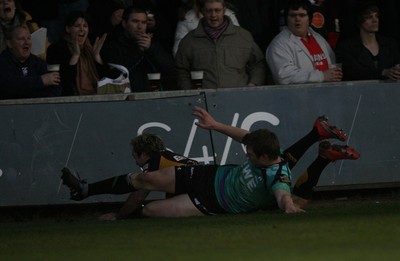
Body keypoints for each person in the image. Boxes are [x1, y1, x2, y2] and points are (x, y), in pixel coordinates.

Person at [62, 106, 359, 218]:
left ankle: (320, 153)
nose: (246, 153)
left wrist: (288, 206)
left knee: (151, 210)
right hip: (206, 176)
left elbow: (282, 193)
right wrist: (215, 124)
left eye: (251, 154)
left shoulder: (277, 174)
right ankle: (85, 189)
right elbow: (245, 136)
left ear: (264, 158)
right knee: (144, 179)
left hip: (211, 205)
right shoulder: (264, 151)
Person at [61, 133, 198, 220]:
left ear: (144, 154)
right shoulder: (169, 158)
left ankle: (86, 189)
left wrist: (119, 215)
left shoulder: (155, 161)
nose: (135, 161)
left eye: (135, 156)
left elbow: (139, 195)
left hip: (198, 193)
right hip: (204, 187)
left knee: (147, 205)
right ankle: (86, 189)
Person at [101, 6, 176, 92]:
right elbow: (116, 74)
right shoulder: (113, 46)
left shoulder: (151, 44)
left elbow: (171, 69)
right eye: (135, 21)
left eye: (144, 22)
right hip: (126, 100)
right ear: (124, 23)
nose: (140, 27)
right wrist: (138, 50)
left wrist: (151, 49)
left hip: (153, 98)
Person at [266, 0, 342, 85]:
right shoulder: (279, 44)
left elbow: (332, 61)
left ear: (309, 19)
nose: (297, 19)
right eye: (292, 15)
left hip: (326, 93)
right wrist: (322, 76)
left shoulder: (318, 38)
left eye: (302, 15)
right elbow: (284, 76)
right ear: (286, 19)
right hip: (297, 97)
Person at [46, 11, 109, 96]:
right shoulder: (55, 50)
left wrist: (97, 57)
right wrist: (75, 56)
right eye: (77, 26)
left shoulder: (92, 49)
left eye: (85, 26)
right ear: (68, 29)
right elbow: (59, 80)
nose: (82, 29)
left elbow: (106, 79)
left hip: (97, 97)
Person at [335, 2, 400, 81]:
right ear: (359, 21)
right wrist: (383, 72)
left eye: (376, 16)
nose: (375, 20)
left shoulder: (390, 44)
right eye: (369, 17)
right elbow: (354, 72)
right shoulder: (346, 47)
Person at [0, 26, 61, 99]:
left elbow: (55, 88)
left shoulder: (39, 63)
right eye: (21, 39)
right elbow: (9, 85)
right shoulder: (2, 62)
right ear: (9, 43)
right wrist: (41, 81)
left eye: (29, 38)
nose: (26, 42)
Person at [172, 0, 239, 56]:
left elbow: (239, 45)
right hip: (198, 67)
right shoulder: (188, 19)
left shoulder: (229, 16)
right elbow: (179, 52)